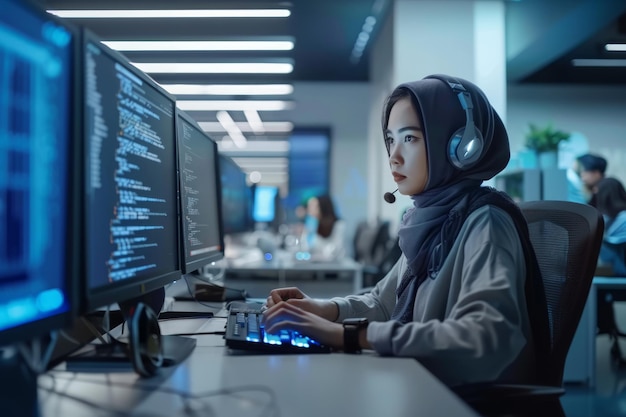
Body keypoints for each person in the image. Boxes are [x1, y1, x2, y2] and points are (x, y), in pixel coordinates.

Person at [261, 74, 550, 387]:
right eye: (390, 140)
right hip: (425, 387)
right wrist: (326, 309)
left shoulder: (486, 223)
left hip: (463, 403)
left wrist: (348, 335)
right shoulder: (431, 221)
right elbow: (385, 304)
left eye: (410, 138)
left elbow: (486, 337)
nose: (394, 157)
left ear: (461, 147)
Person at [300, 194, 347, 260]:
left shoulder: (339, 225)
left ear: (322, 207)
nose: (310, 209)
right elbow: (305, 247)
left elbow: (336, 250)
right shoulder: (312, 223)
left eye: (314, 206)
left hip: (335, 265)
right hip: (315, 263)